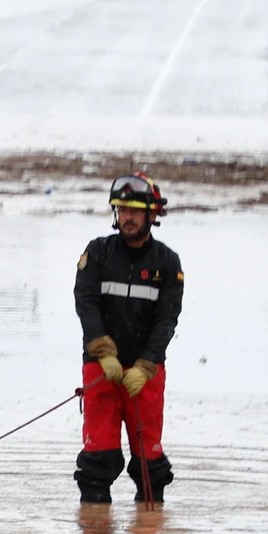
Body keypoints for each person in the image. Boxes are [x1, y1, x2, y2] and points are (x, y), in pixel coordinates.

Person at [73, 172, 182, 505]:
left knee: (150, 469)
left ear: (152, 214)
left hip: (144, 376)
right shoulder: (97, 252)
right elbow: (85, 302)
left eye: (135, 211)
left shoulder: (168, 262)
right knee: (96, 463)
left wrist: (146, 365)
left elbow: (167, 319)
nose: (128, 217)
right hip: (100, 372)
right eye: (122, 210)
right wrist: (103, 352)